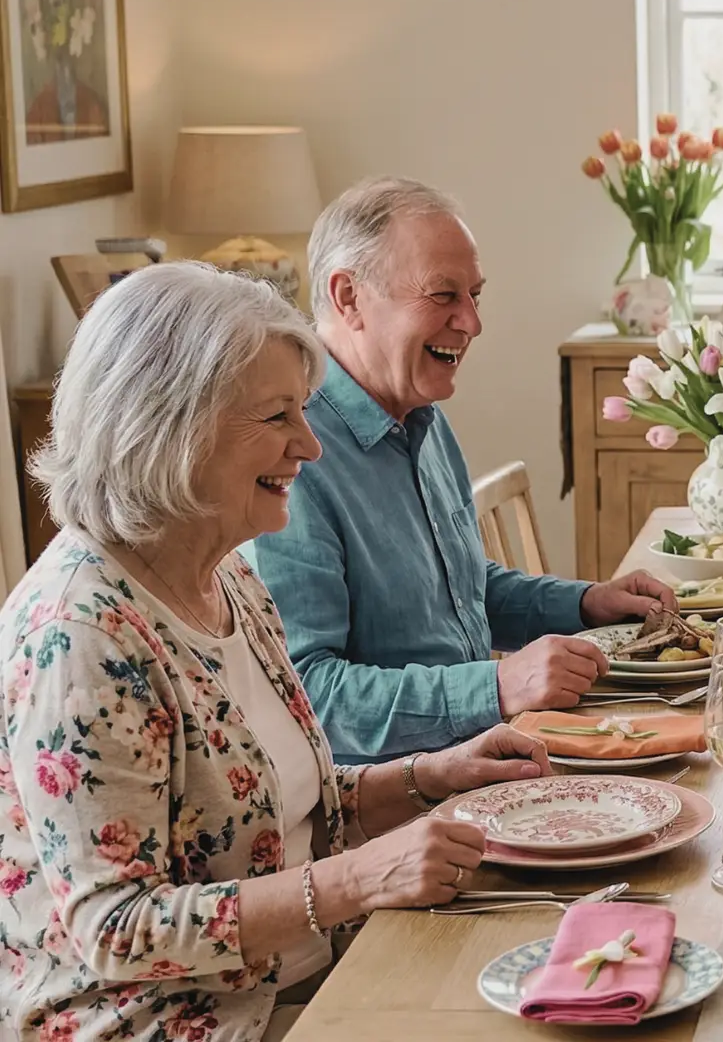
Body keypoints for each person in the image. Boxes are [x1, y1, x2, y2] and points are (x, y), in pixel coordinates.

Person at [0, 262, 554, 1042]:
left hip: (315, 972)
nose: (311, 445)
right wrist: (360, 877)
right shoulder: (82, 635)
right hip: (181, 1022)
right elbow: (118, 929)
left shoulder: (225, 576)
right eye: (276, 417)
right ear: (167, 427)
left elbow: (282, 810)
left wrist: (430, 776)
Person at [251, 177, 681, 765]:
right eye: (443, 295)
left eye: (475, 295)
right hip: (393, 812)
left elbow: (461, 592)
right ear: (348, 297)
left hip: (483, 760)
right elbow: (308, 700)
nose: (472, 323)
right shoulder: (291, 456)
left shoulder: (418, 416)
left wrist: (587, 604)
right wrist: (498, 687)